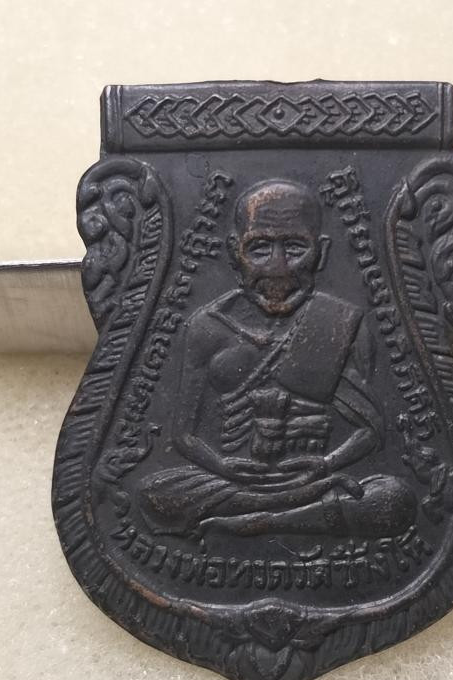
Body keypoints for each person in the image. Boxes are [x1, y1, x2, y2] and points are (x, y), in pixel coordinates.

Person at [140, 179, 416, 539]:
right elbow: (183, 436)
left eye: (295, 248)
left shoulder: (337, 321)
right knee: (153, 495)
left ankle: (265, 519)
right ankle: (292, 513)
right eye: (259, 249)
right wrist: (223, 467)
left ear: (322, 253)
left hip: (313, 475)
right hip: (233, 480)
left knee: (393, 498)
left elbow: (371, 431)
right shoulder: (207, 326)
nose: (278, 267)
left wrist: (326, 464)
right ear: (233, 252)